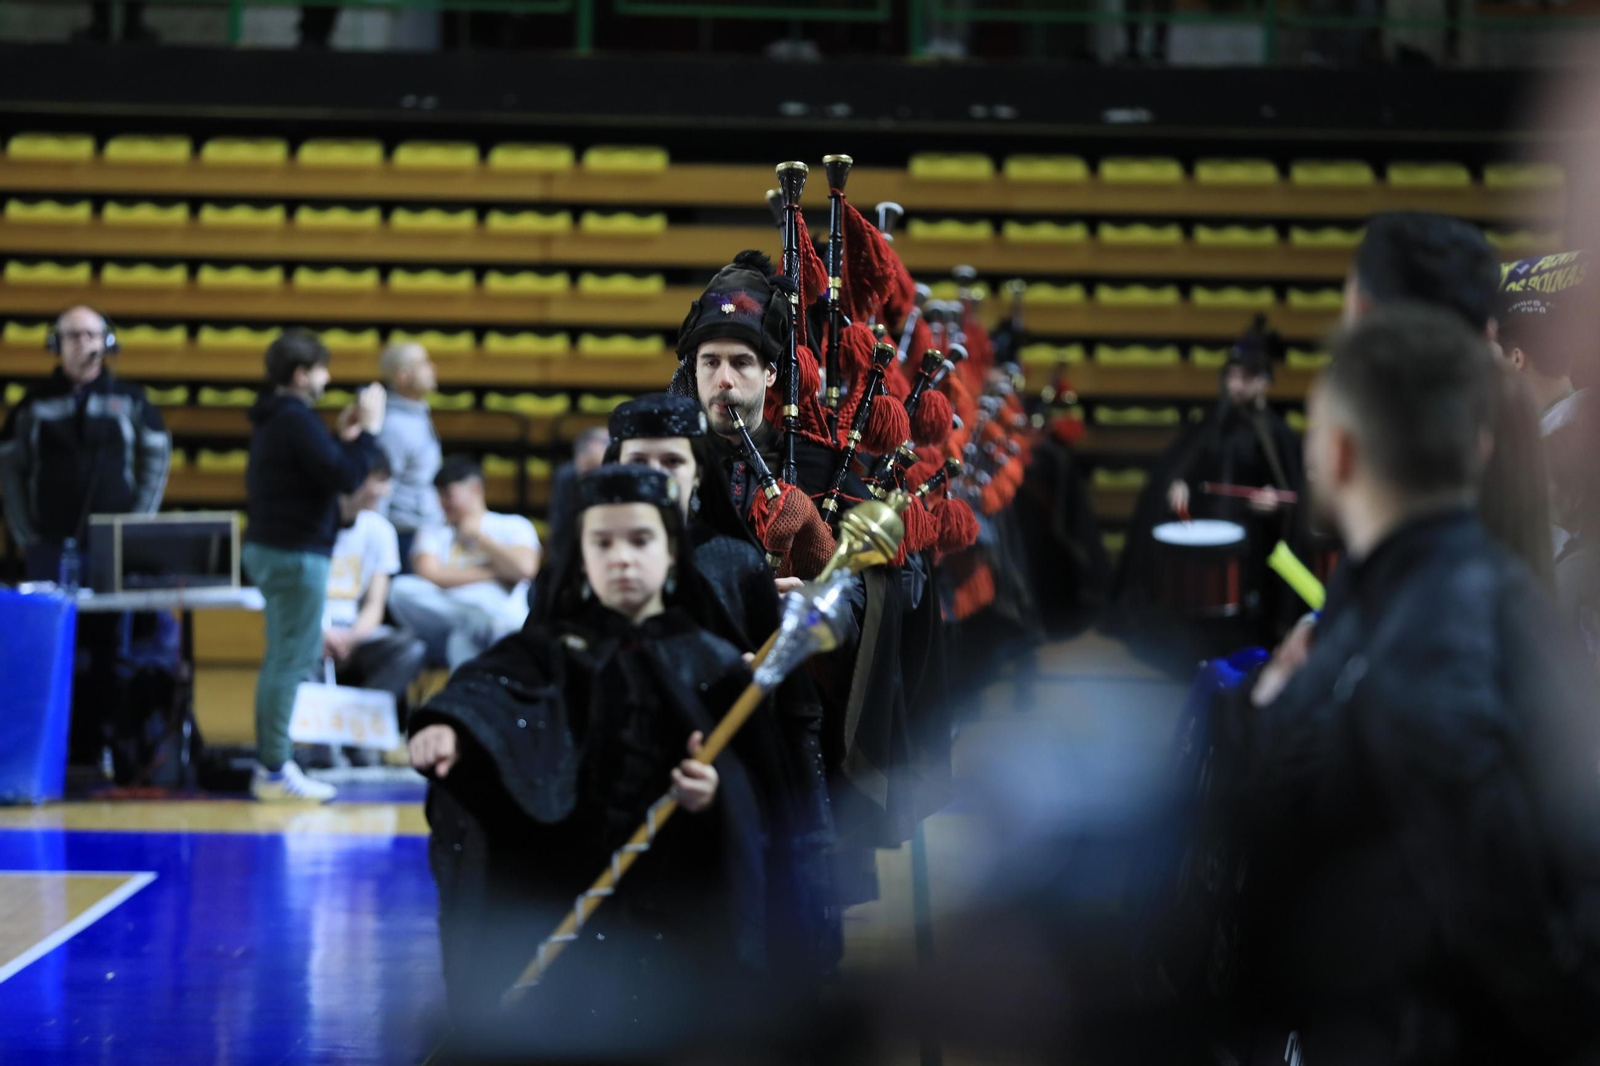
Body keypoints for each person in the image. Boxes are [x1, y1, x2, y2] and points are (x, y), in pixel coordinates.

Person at [1228, 305, 1600, 1061]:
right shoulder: (1441, 593)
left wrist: (1272, 723)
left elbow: (1500, 923)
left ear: (1337, 453)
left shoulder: (1433, 634)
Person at [408, 465, 837, 1038]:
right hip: (574, 915)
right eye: (602, 543)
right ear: (580, 555)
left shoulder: (711, 663)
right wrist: (450, 728)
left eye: (640, 541)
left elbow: (760, 798)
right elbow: (484, 693)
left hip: (673, 931)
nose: (623, 559)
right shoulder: (548, 649)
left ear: (670, 553)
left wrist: (714, 794)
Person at [0, 306, 173, 769]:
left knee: (111, 650)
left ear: (107, 342)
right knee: (50, 650)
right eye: (72, 335)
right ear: (56, 345)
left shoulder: (131, 400)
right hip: (48, 545)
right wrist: (25, 534)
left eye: (91, 334)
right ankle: (52, 752)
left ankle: (108, 747)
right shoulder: (33, 404)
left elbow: (157, 457)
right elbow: (10, 472)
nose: (83, 343)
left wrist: (136, 527)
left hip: (113, 544)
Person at [244, 329, 385, 803]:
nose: (327, 378)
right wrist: (369, 431)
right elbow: (344, 477)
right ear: (302, 374)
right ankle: (273, 767)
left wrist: (344, 438)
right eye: (322, 369)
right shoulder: (294, 419)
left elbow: (320, 473)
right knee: (291, 661)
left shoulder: (278, 419)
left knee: (282, 659)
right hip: (295, 553)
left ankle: (272, 762)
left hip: (276, 548)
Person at [1109, 316, 1305, 654]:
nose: (1235, 386)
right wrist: (1179, 484)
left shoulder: (1278, 434)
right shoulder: (1211, 425)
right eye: (1230, 377)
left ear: (1264, 382)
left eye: (1245, 378)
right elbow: (1181, 468)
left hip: (1255, 533)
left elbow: (1296, 492)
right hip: (1208, 522)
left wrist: (1276, 502)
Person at [602, 393, 780, 649]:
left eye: (672, 461)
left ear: (698, 473)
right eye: (638, 461)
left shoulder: (738, 566)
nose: (656, 475)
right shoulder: (582, 566)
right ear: (615, 468)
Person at [388, 455, 539, 669]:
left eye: (448, 494)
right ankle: (473, 618)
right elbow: (430, 574)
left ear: (475, 489)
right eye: (439, 496)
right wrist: (496, 572)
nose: (443, 503)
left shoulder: (513, 525)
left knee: (461, 639)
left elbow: (526, 568)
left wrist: (480, 540)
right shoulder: (433, 530)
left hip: (502, 622)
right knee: (399, 589)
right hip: (448, 618)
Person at [323, 452, 426, 742]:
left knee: (410, 649)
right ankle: (311, 738)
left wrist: (351, 637)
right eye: (379, 480)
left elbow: (374, 604)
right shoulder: (311, 524)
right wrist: (320, 633)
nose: (386, 490)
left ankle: (356, 726)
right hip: (311, 633)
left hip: (356, 635)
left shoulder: (380, 531)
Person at [374, 340, 441, 569]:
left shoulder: (416, 414)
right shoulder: (394, 426)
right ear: (403, 376)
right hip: (402, 537)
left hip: (420, 532)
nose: (433, 368)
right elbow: (380, 489)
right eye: (423, 363)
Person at [545, 424, 609, 546]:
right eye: (589, 470)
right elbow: (559, 529)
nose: (594, 478)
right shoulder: (566, 477)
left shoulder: (620, 477)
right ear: (577, 459)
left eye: (599, 469)